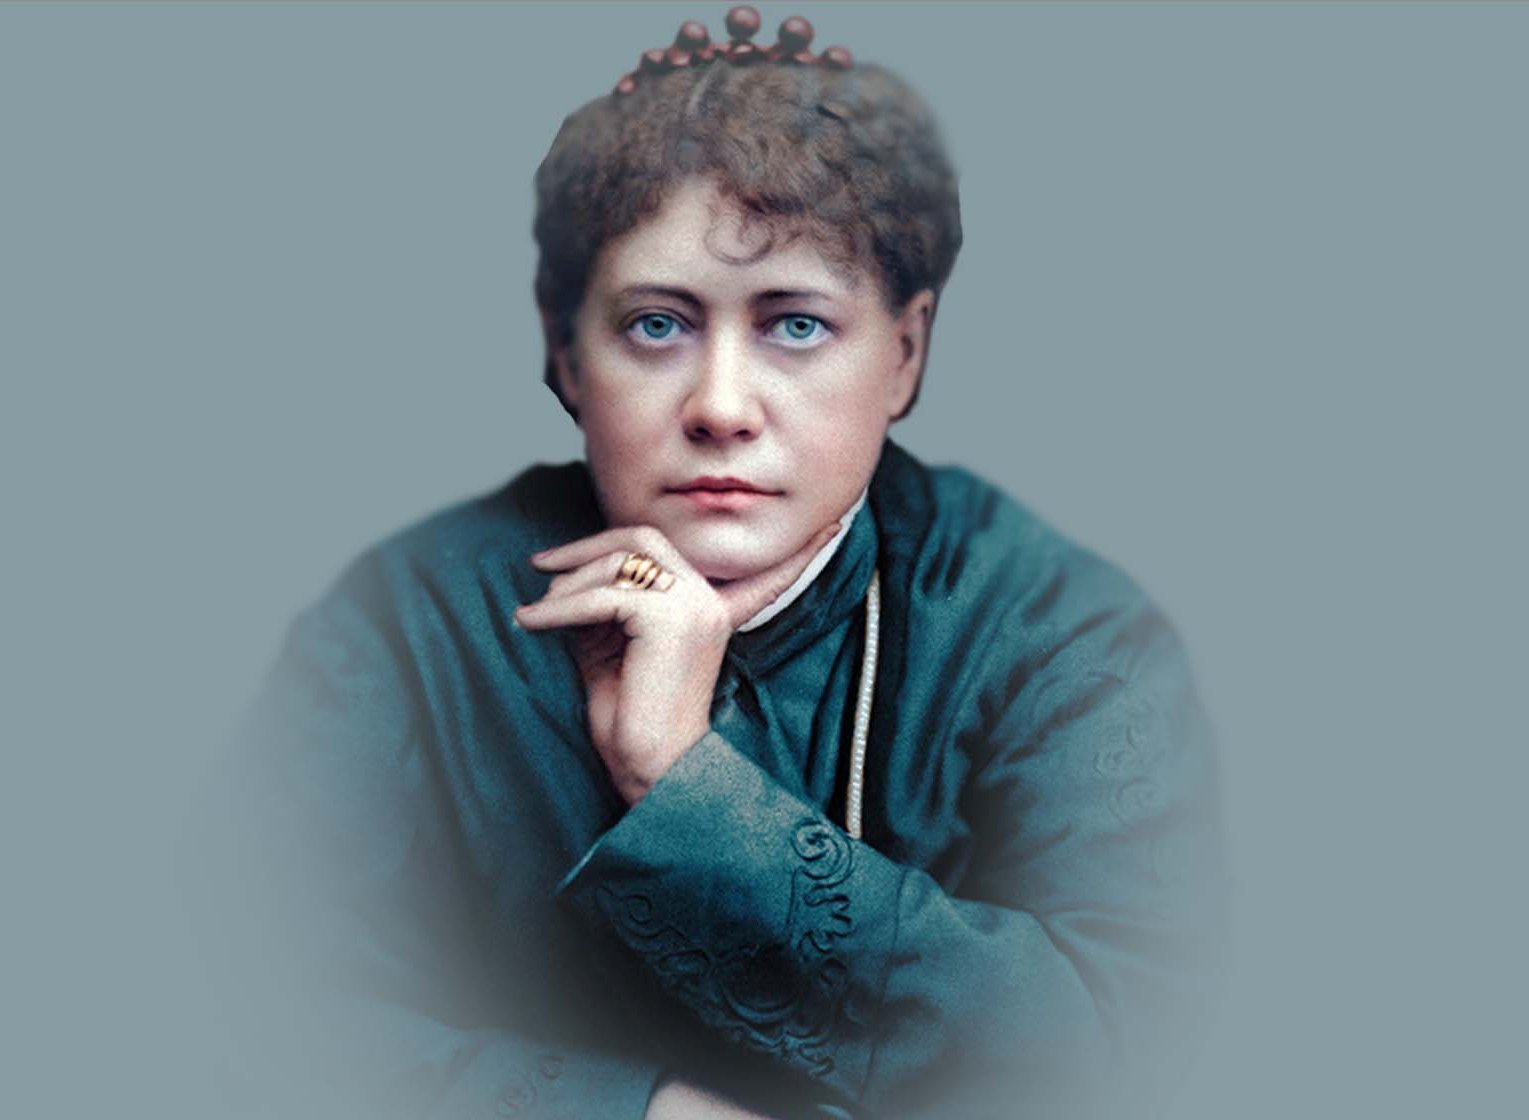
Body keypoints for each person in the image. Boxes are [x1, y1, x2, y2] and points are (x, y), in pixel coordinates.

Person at [186, 8, 1230, 1118]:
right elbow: (235, 1008)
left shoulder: (1058, 625)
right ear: (562, 353)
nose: (721, 408)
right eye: (655, 325)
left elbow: (1120, 1051)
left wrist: (679, 779)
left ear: (904, 353)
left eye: (794, 326)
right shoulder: (404, 620)